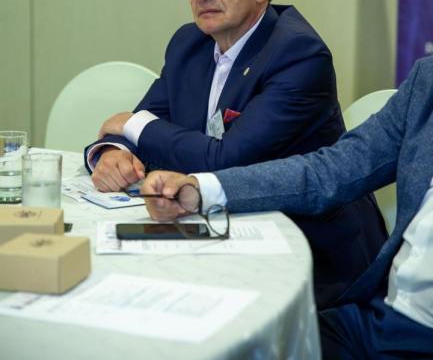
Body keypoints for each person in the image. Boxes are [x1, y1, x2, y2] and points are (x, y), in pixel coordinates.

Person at [84, 0, 386, 308]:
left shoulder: (298, 54)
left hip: (309, 251)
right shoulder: (189, 44)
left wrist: (132, 123)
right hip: (216, 229)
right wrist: (113, 152)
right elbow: (146, 123)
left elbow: (226, 159)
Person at [143, 55, 433, 359]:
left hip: (420, 338)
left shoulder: (298, 52)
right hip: (379, 316)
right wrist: (200, 189)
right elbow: (330, 170)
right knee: (228, 343)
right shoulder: (427, 80)